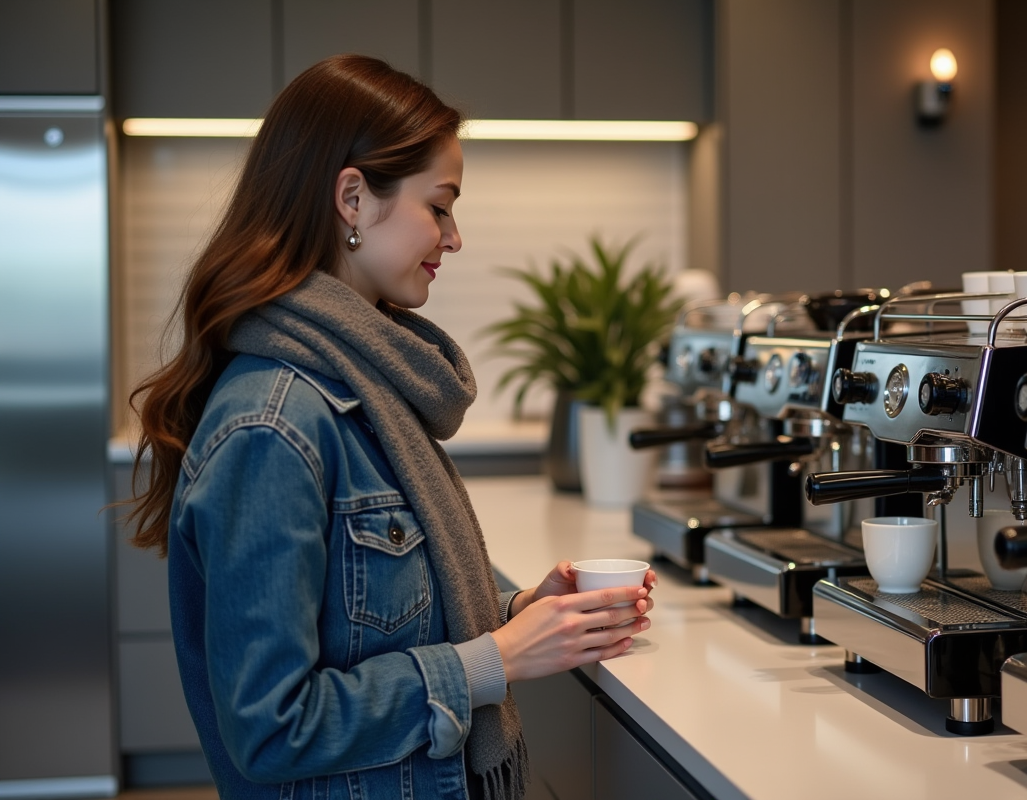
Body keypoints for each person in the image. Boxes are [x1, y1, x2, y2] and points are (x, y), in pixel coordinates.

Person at [126, 54, 655, 800]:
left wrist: (521, 616)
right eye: (439, 206)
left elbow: (364, 624)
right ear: (352, 198)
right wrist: (498, 657)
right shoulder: (274, 426)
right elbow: (273, 727)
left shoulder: (363, 386)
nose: (454, 236)